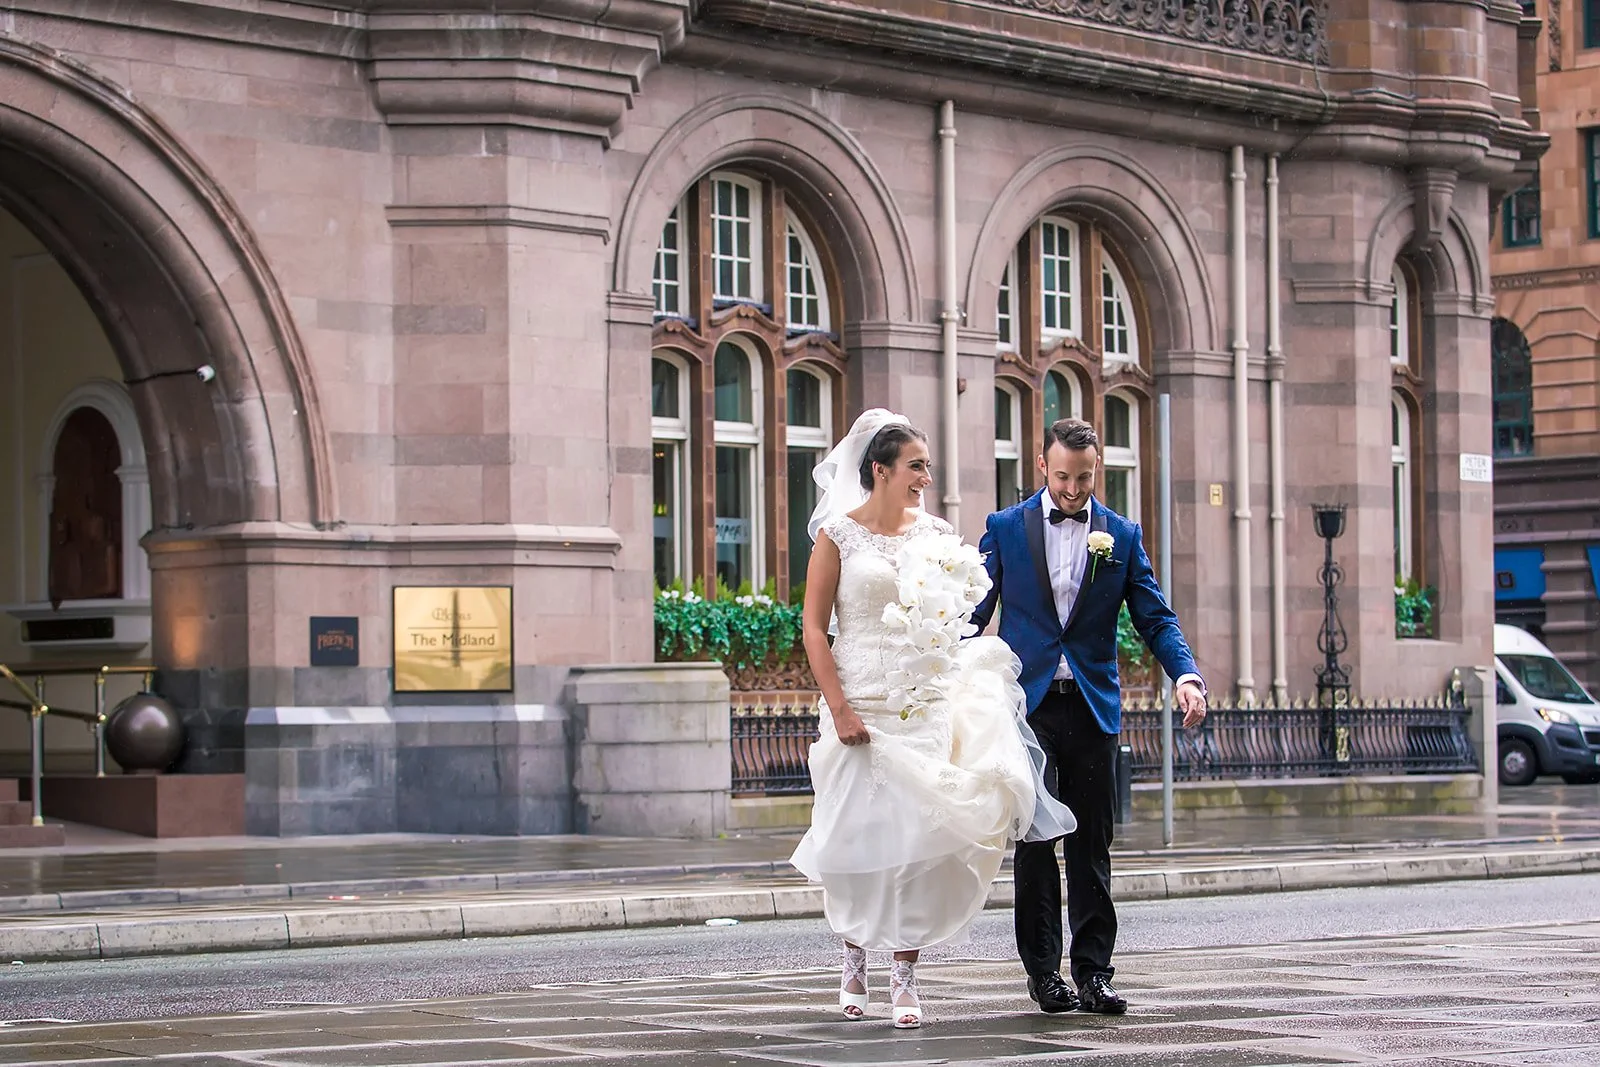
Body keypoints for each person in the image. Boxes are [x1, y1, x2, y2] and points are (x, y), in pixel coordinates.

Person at [789, 409, 1075, 1030]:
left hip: (923, 699)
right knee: (856, 836)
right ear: (880, 470)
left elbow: (959, 612)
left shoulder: (937, 534)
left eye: (926, 466)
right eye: (915, 466)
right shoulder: (837, 536)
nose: (925, 476)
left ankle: (905, 975)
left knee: (917, 841)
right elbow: (814, 629)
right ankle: (853, 958)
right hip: (861, 697)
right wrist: (838, 708)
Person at [970, 418, 1207, 1016]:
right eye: (1063, 476)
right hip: (1029, 709)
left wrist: (1185, 675)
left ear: (1095, 470)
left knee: (1091, 847)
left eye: (1085, 477)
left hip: (1094, 708)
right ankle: (1045, 974)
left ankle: (1095, 974)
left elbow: (1156, 618)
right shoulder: (1004, 529)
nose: (1074, 489)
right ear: (1043, 466)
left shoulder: (1121, 536)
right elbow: (974, 612)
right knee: (1034, 844)